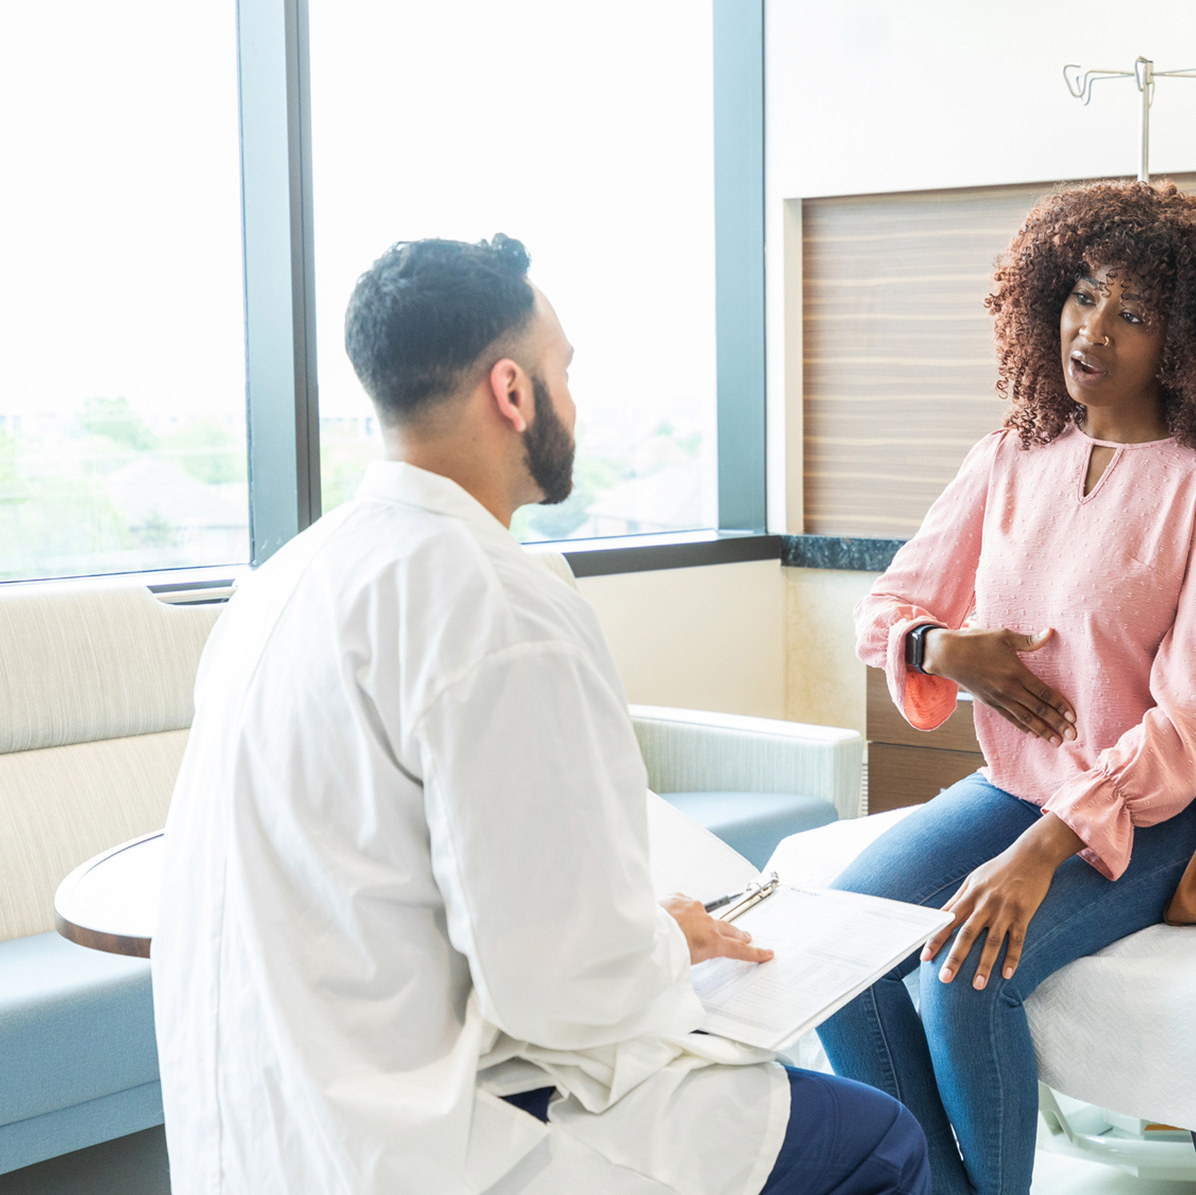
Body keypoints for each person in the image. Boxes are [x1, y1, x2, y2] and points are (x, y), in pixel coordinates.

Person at [153, 235, 927, 1195]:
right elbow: (562, 987)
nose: (575, 403)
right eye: (565, 371)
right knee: (880, 1143)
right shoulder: (499, 605)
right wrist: (667, 941)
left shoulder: (274, 588)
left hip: (267, 1132)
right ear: (511, 391)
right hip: (430, 1142)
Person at [821, 181, 1196, 1195]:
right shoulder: (1011, 453)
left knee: (964, 973)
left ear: (1190, 341)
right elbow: (886, 611)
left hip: (1151, 812)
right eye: (1084, 294)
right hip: (1016, 787)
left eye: (1134, 312)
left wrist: (1040, 851)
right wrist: (949, 651)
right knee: (839, 940)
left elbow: (1187, 728)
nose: (1094, 329)